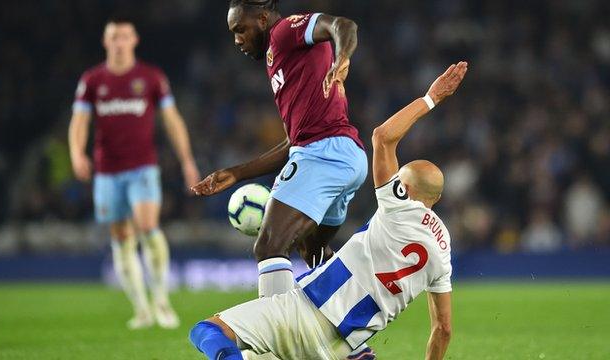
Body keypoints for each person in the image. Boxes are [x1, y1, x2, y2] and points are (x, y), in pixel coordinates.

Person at [189, 62, 468, 360]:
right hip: (337, 347)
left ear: (405, 190)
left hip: (305, 311)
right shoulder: (442, 254)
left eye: (399, 179)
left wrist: (431, 97)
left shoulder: (398, 206)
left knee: (206, 332)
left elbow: (383, 137)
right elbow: (443, 329)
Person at [193, 0, 365, 300]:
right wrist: (237, 173)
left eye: (240, 29)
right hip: (344, 155)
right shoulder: (278, 59)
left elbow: (343, 25)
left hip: (323, 154)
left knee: (269, 246)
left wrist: (342, 58)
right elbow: (292, 144)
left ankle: (274, 340)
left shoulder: (285, 31)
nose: (237, 40)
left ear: (262, 19)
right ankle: (351, 337)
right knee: (312, 252)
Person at [68, 17, 200, 329]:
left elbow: (172, 120)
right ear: (105, 42)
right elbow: (79, 121)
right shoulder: (92, 80)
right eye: (113, 37)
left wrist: (187, 160)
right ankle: (141, 308)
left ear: (134, 40)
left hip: (143, 166)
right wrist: (76, 153)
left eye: (124, 36)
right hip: (107, 171)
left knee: (147, 226)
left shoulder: (151, 78)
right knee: (121, 236)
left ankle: (162, 302)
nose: (119, 42)